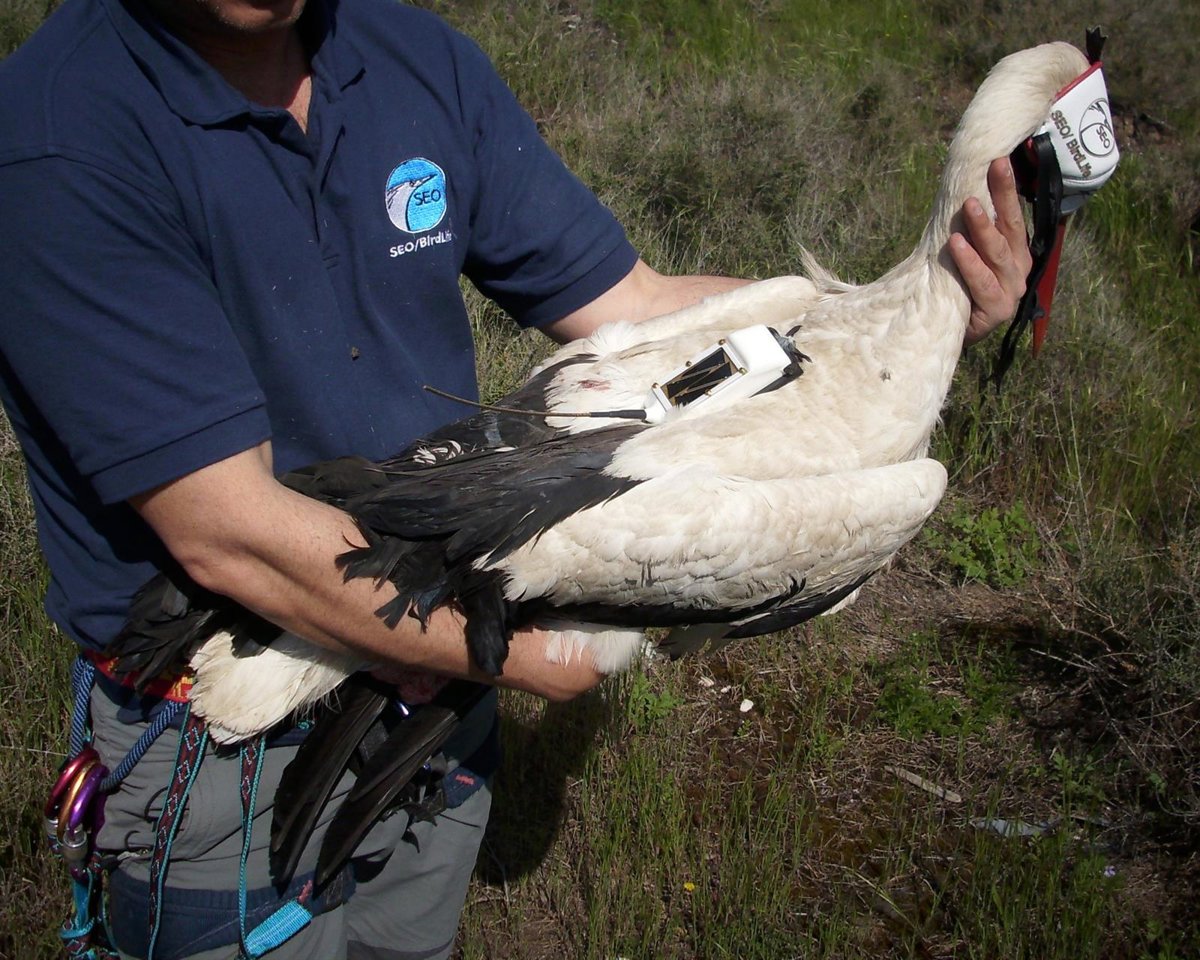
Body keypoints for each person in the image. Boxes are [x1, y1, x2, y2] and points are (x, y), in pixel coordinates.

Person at [0, 0, 1032, 956]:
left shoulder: (406, 57)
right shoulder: (60, 134)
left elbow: (635, 303)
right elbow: (226, 533)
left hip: (448, 681)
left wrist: (927, 312)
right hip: (240, 708)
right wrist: (536, 661)